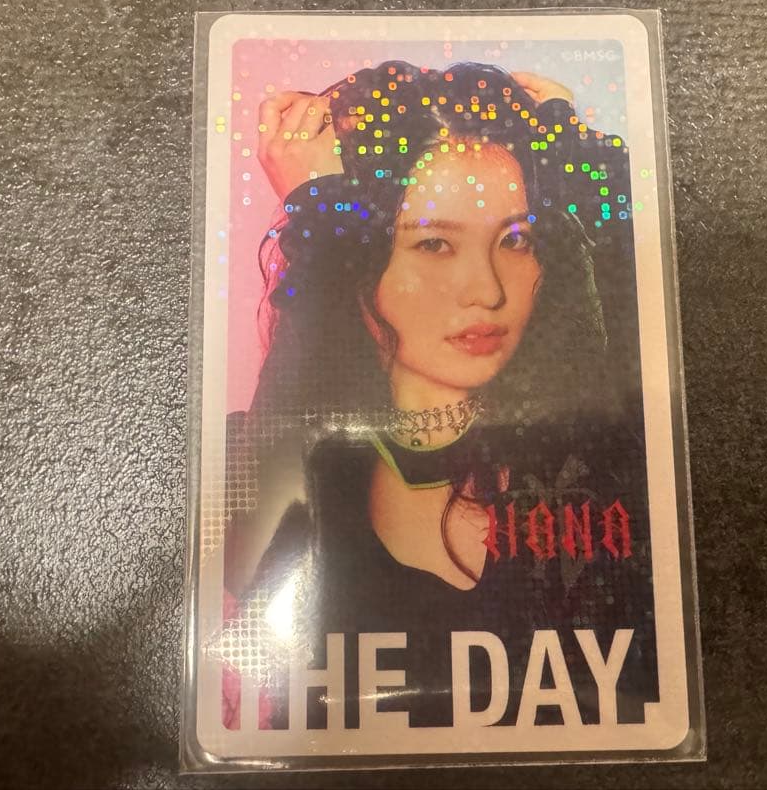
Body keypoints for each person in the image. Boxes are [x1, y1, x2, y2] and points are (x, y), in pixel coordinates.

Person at [215, 60, 657, 729]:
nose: (488, 290)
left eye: (515, 239)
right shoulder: (267, 454)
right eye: (434, 243)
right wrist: (321, 224)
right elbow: (254, 565)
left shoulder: (590, 449)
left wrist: (574, 154)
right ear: (350, 258)